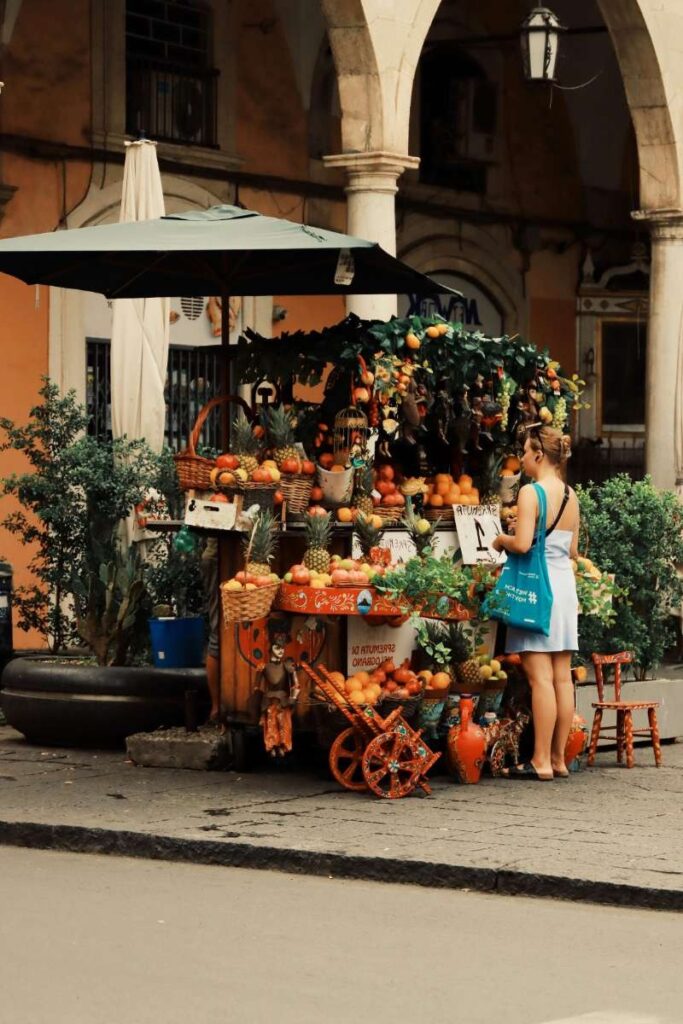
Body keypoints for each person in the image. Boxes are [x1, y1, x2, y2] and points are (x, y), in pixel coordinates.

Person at [491, 425, 579, 781]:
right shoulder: (572, 495)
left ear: (540, 455)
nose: (522, 459)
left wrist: (500, 538)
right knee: (562, 677)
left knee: (539, 677)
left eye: (526, 452)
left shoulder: (531, 492)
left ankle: (539, 759)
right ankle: (559, 759)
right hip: (563, 586)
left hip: (536, 589)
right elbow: (573, 550)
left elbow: (524, 544)